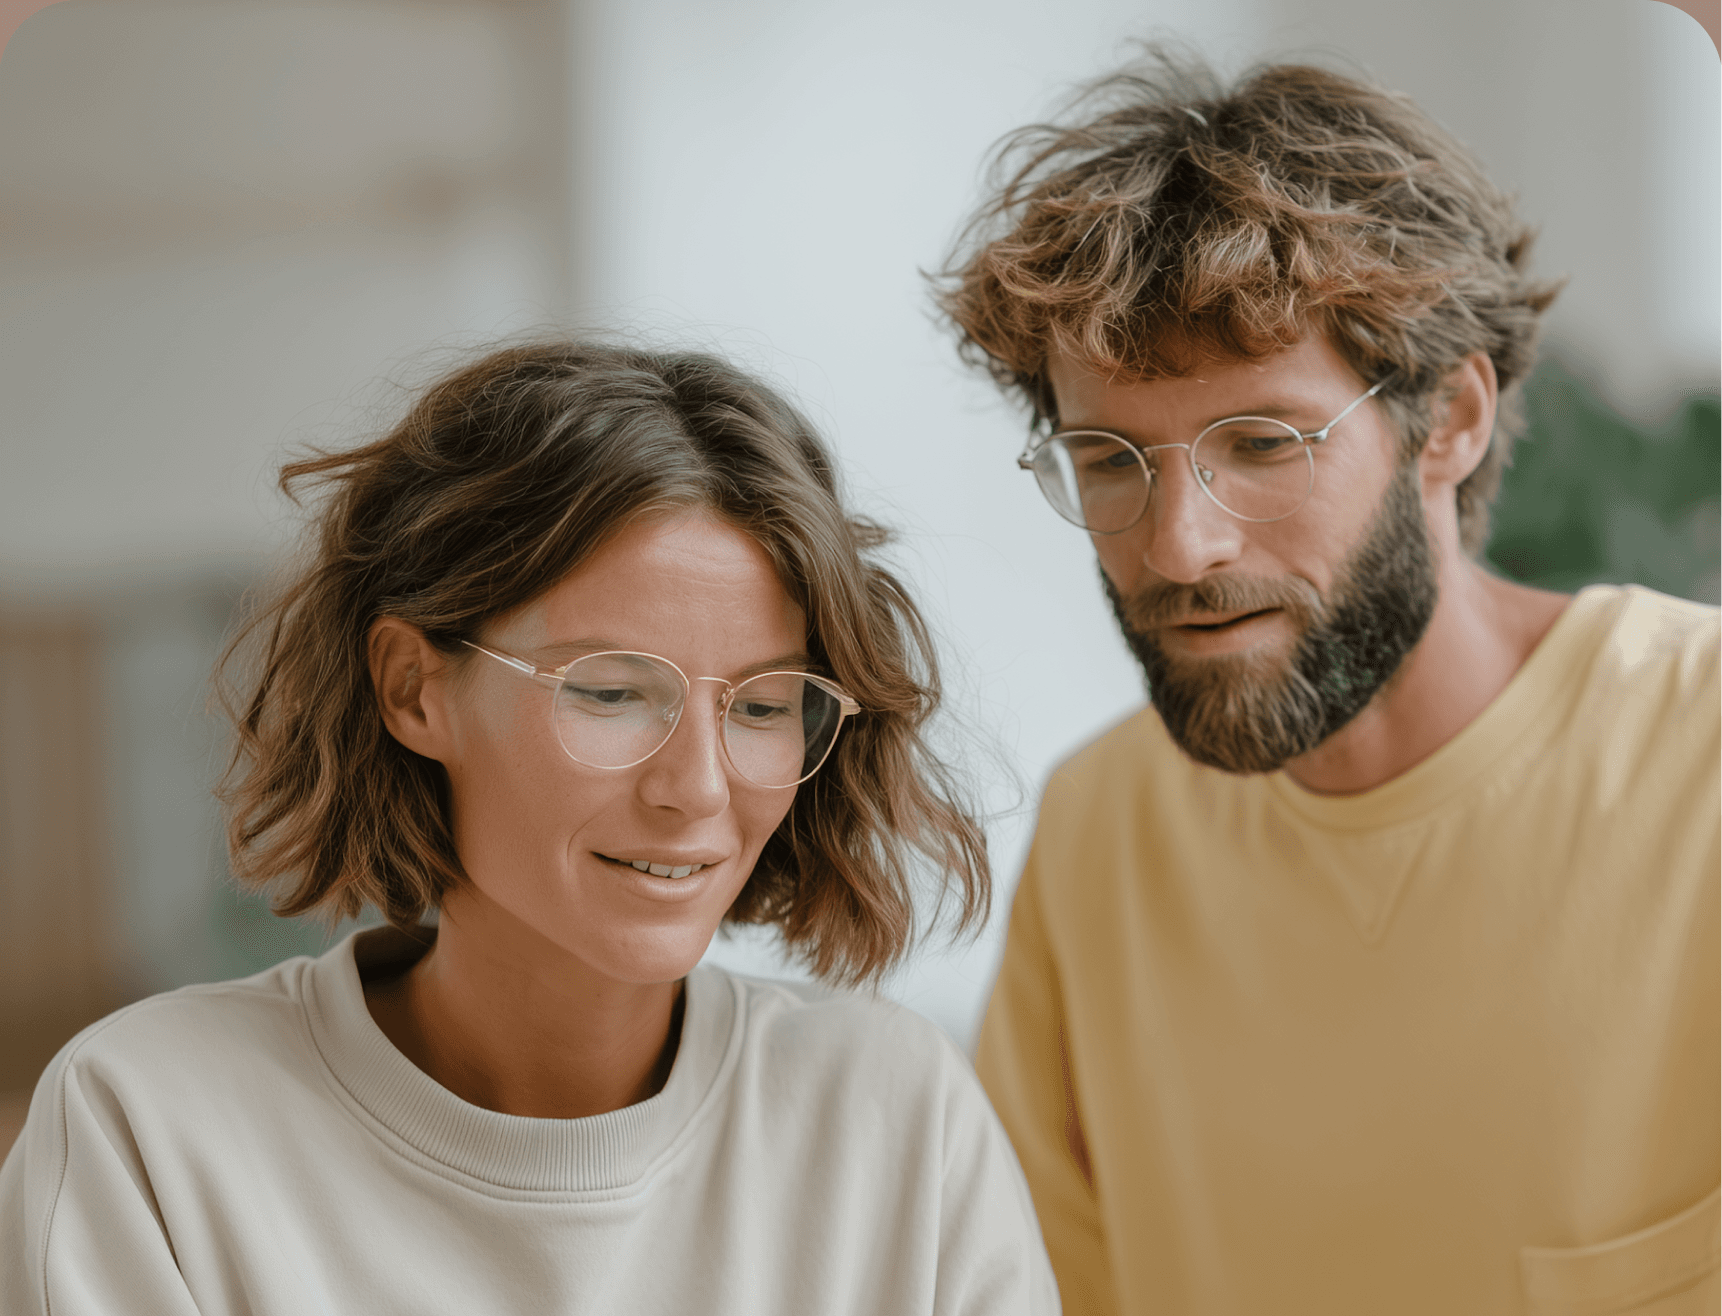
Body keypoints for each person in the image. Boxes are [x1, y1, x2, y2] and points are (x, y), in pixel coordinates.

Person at [0, 341, 1059, 1315]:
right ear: (415, 687)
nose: (696, 787)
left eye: (763, 704)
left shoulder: (895, 1121)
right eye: (609, 691)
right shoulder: (145, 1127)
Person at [936, 51, 1720, 1316]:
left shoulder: (1701, 749)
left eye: (1260, 444)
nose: (1180, 545)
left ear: (1450, 421)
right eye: (1110, 458)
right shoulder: (1098, 838)